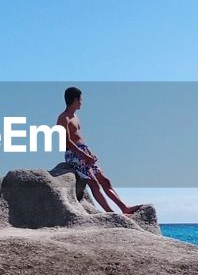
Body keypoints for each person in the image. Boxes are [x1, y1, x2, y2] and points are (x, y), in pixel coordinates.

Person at [57, 86, 143, 215]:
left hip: (84, 151)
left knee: (105, 180)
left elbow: (79, 138)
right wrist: (83, 155)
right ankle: (110, 213)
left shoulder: (75, 117)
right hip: (73, 153)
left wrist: (89, 153)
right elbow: (66, 142)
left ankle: (124, 207)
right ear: (75, 100)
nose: (82, 102)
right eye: (80, 99)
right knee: (94, 183)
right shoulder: (63, 118)